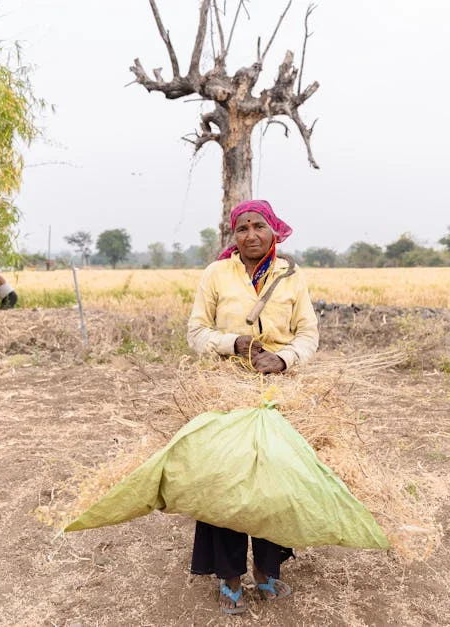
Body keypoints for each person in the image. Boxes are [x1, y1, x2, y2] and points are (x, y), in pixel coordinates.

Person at [186, 199, 319, 614]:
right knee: (227, 483)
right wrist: (233, 343)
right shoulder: (216, 274)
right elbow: (196, 332)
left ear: (273, 230)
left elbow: (308, 334)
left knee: (272, 481)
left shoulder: (290, 276)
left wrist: (284, 359)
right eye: (241, 228)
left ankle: (267, 570)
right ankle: (229, 578)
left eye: (258, 226)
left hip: (278, 391)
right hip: (225, 390)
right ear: (234, 236)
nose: (250, 235)